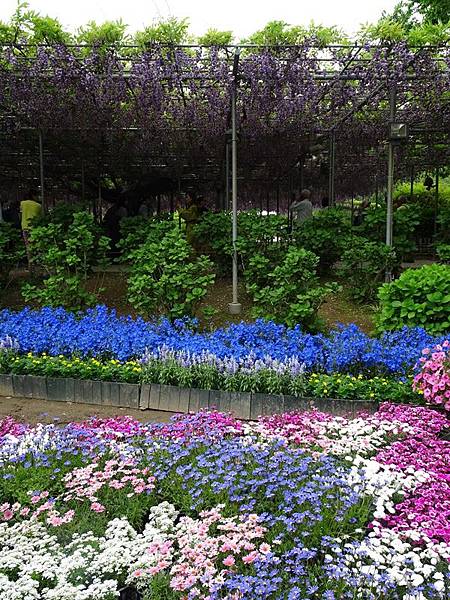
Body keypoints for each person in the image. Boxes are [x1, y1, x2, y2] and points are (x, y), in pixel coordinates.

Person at [20, 189, 42, 269]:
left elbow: (21, 213)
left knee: (28, 247)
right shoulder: (38, 206)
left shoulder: (22, 203)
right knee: (37, 247)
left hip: (25, 227)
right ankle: (39, 264)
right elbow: (40, 218)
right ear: (33, 195)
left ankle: (30, 266)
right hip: (35, 228)